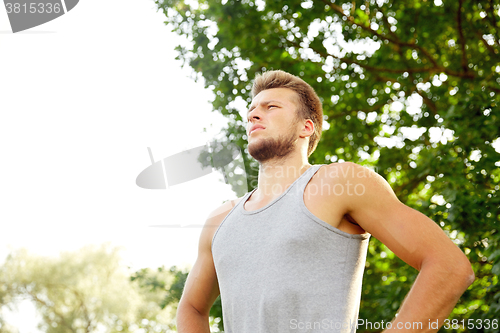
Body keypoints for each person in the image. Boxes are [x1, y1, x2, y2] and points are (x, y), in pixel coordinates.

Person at [176, 70, 475, 332]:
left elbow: (448, 266)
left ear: (306, 127)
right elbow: (191, 308)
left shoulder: (340, 182)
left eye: (271, 107)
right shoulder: (220, 220)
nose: (253, 114)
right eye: (252, 109)